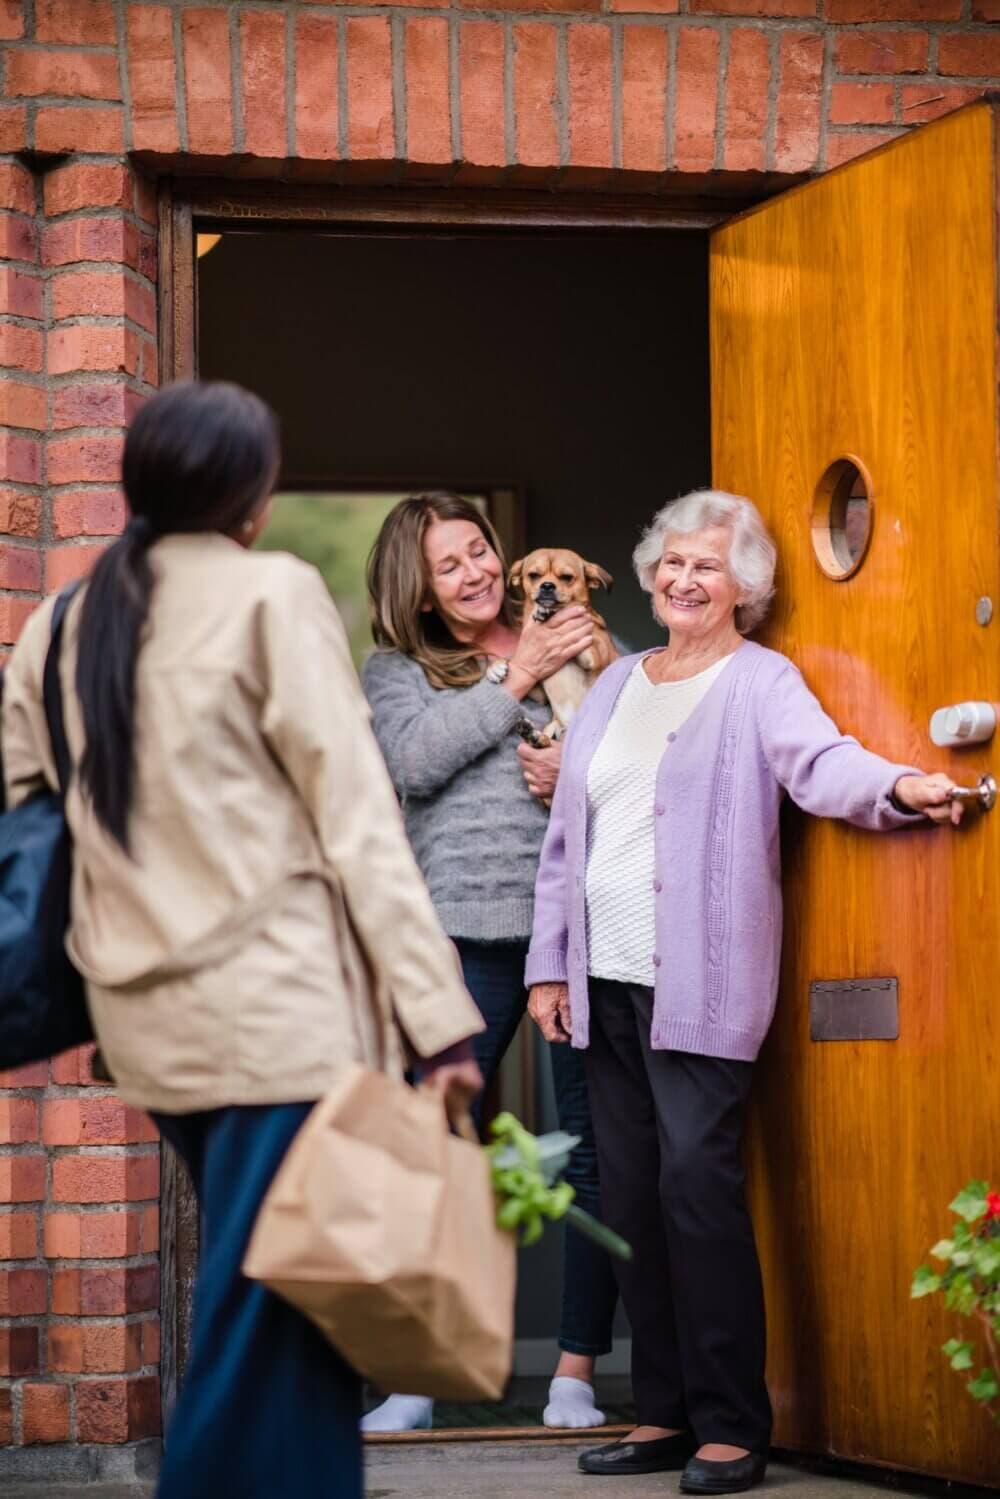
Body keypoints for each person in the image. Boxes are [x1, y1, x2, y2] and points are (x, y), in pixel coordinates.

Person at [1, 383, 484, 1499]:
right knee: (267, 1314)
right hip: (279, 1019)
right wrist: (441, 1015)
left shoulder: (63, 621)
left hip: (148, 1023)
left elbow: (26, 809)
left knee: (296, 1306)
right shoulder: (272, 593)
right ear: (251, 498)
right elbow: (356, 817)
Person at [525, 489, 963, 1495]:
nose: (683, 579)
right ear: (649, 573)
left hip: (701, 982)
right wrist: (550, 963)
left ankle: (731, 1419)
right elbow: (565, 844)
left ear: (745, 590)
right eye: (671, 562)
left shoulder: (761, 682)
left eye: (707, 567)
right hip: (603, 982)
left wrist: (900, 785)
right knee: (630, 1196)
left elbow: (820, 764)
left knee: (697, 1189)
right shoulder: (614, 683)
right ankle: (664, 1409)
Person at [361, 493, 619, 1433]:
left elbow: (640, 759)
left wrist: (574, 769)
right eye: (449, 564)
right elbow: (415, 762)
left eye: (480, 551)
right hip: (462, 933)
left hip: (578, 930)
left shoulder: (584, 635)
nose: (474, 571)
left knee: (594, 1146)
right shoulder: (396, 672)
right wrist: (516, 679)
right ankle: (415, 1379)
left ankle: (576, 1375)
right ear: (418, 589)